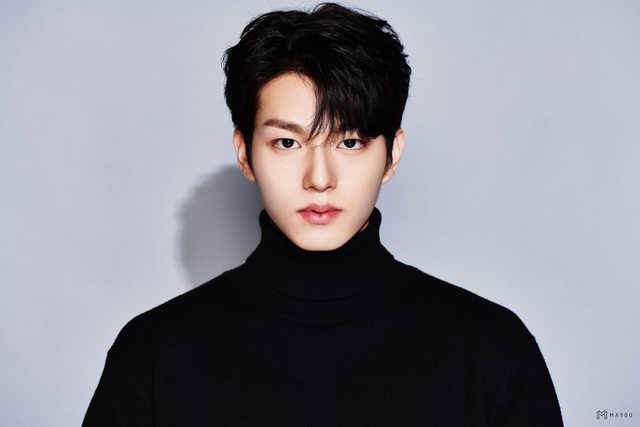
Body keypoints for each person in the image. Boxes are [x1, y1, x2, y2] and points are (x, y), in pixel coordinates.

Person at [83, 3, 564, 426]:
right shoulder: (154, 354)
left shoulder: (490, 350)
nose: (319, 178)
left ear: (392, 155)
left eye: (349, 142)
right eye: (286, 142)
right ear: (245, 153)